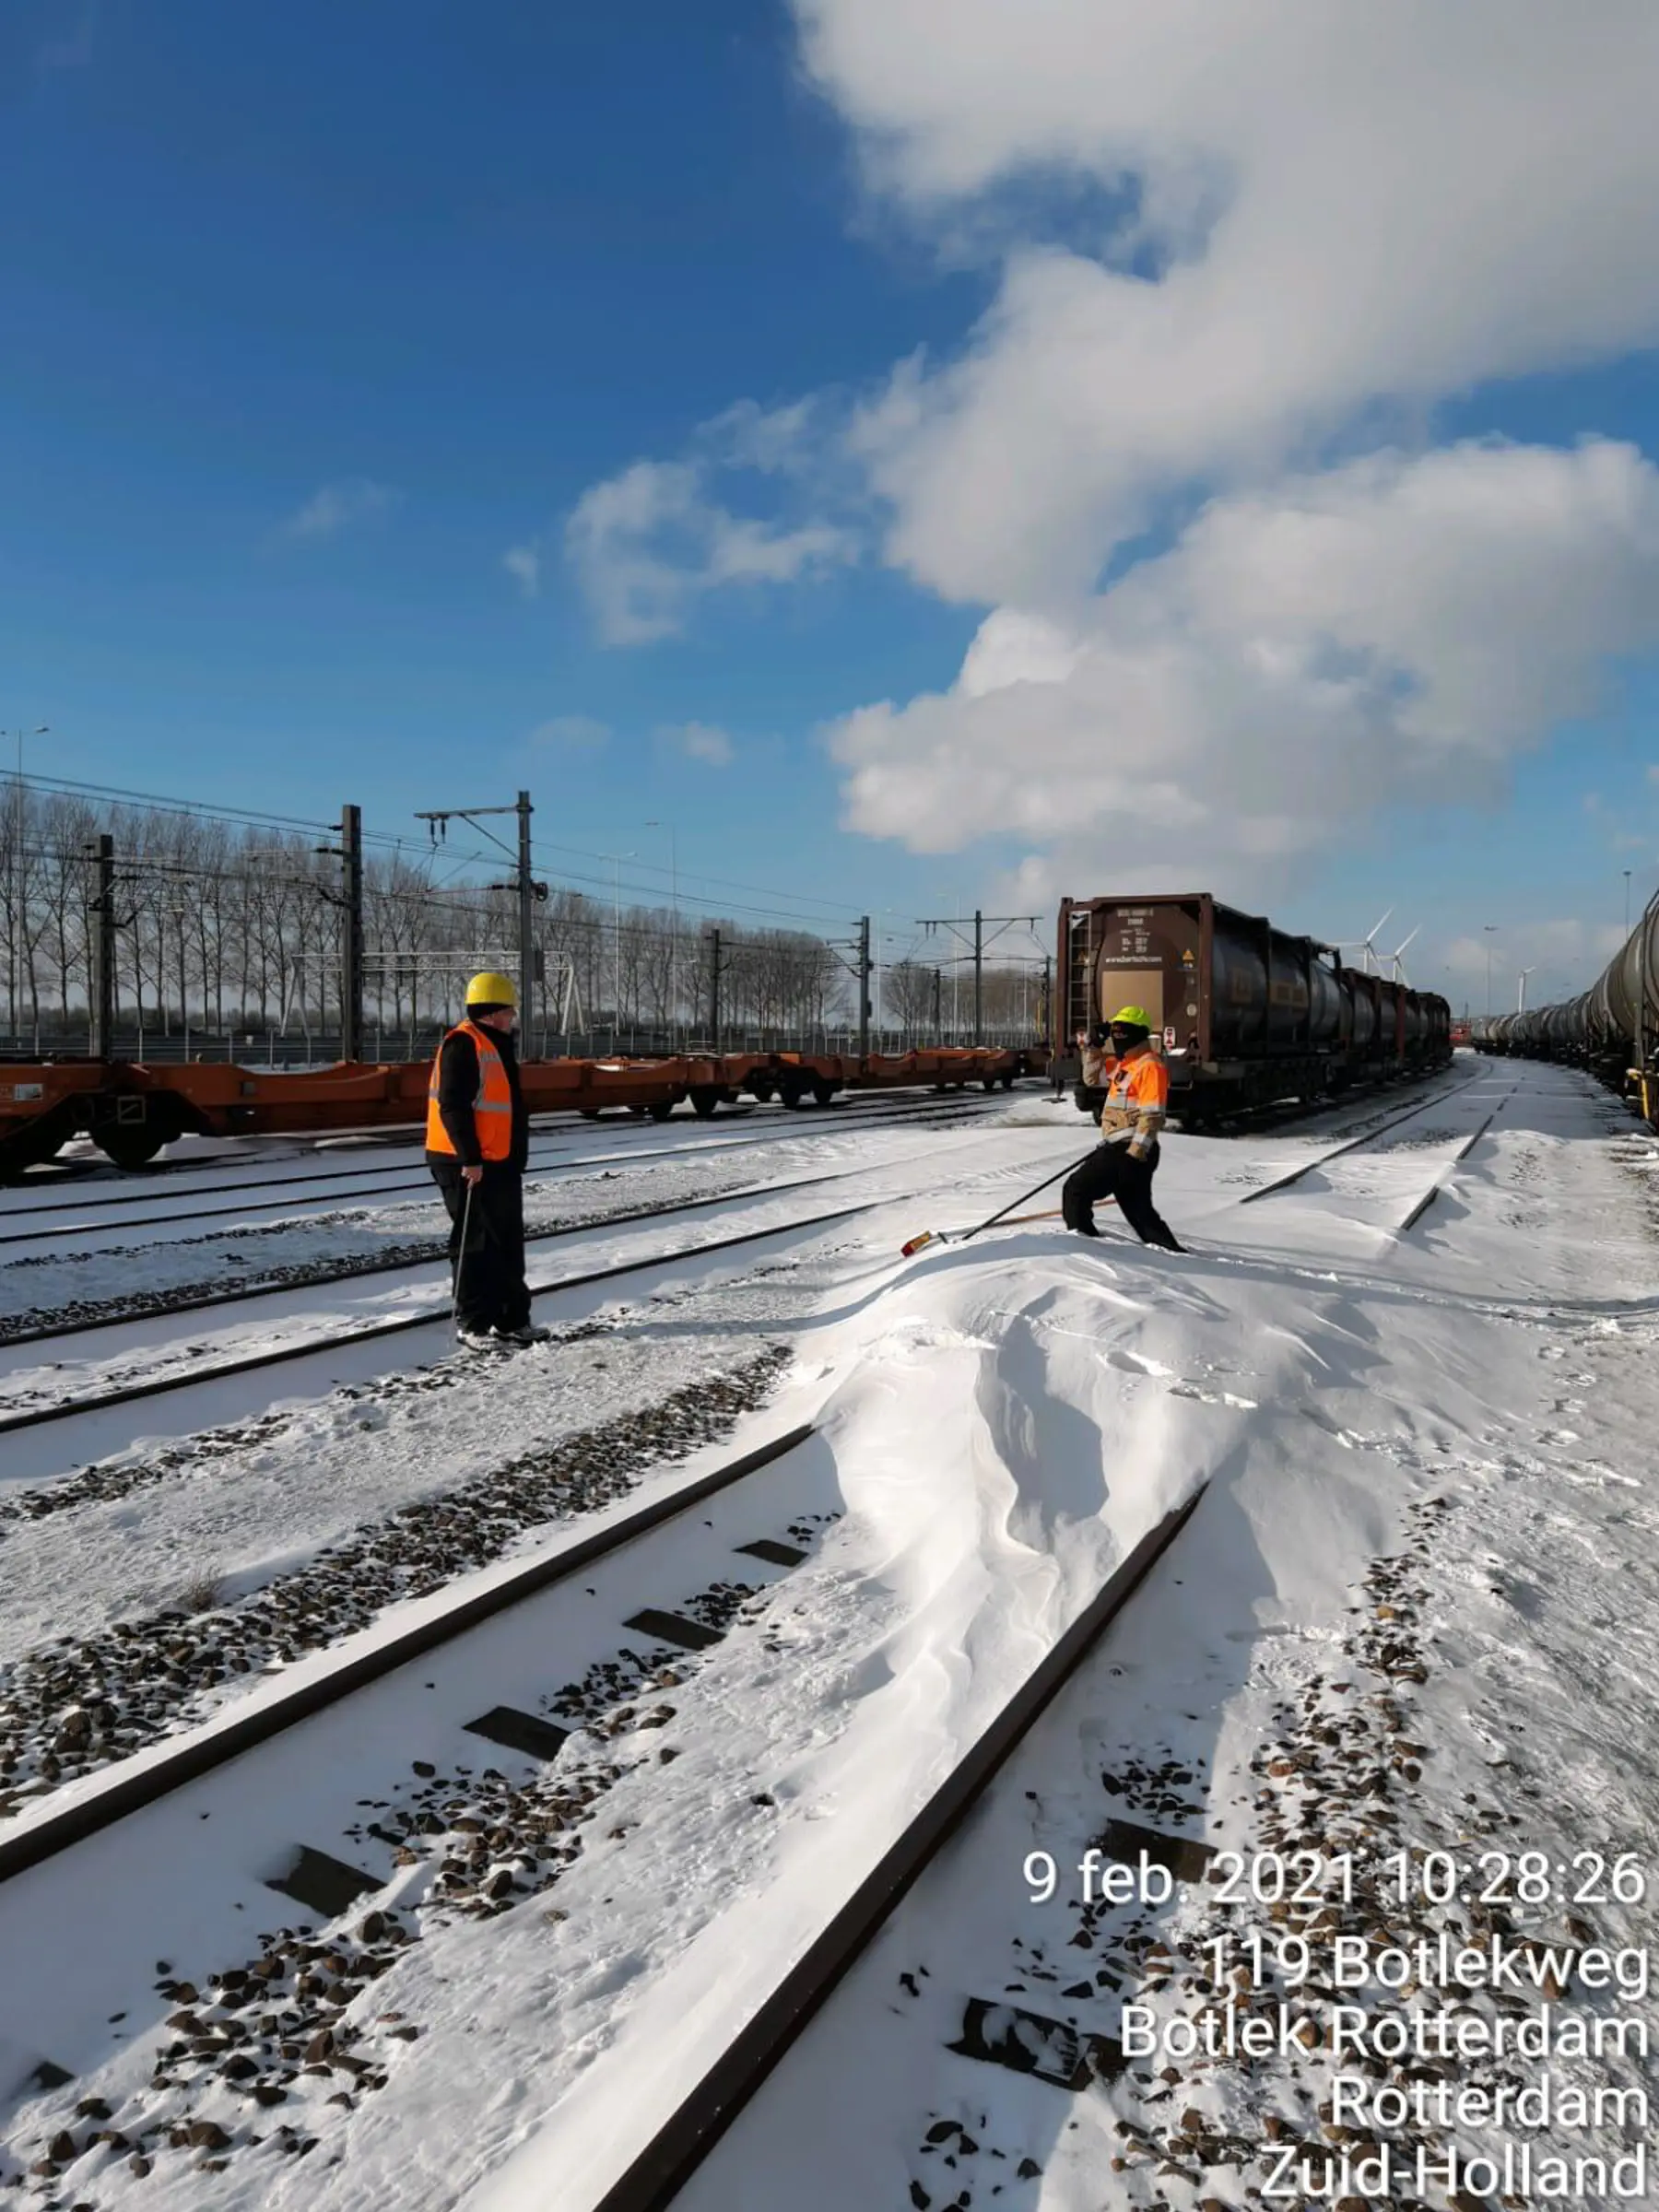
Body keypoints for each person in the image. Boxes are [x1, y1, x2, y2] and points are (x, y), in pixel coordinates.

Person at [426, 971, 550, 1347]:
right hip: (465, 1163)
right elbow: (453, 1107)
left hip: (500, 1163)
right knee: (476, 1244)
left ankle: (512, 1320)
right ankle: (473, 1325)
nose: (513, 1017)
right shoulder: (464, 1044)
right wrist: (471, 1158)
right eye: (510, 1011)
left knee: (507, 1243)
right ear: (495, 1012)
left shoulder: (494, 1044)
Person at [1062, 1006, 1184, 1251]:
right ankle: (1173, 1253)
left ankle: (1085, 1249)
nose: (1117, 1038)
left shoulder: (1150, 1066)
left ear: (1138, 1034)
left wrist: (1135, 1155)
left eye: (1122, 1033)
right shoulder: (1125, 1065)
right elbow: (1091, 1078)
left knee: (1076, 1190)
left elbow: (1152, 1116)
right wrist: (1094, 1046)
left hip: (1129, 1149)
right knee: (1140, 1213)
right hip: (1121, 1147)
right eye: (1114, 1033)